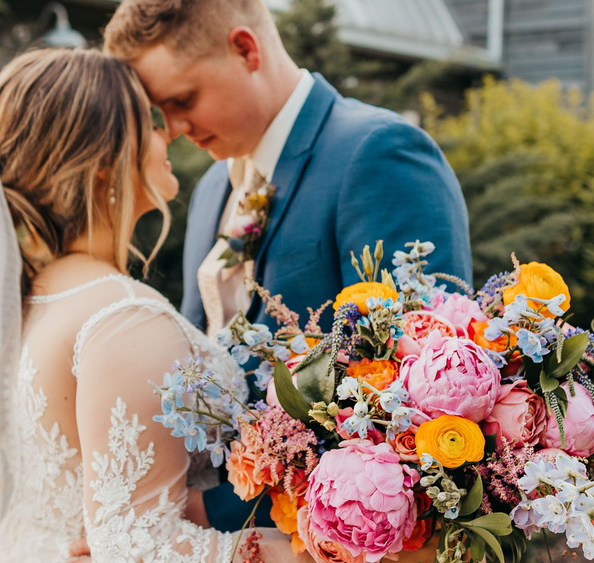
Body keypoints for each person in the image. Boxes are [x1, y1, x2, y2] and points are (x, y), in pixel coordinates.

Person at [0, 48, 305, 563]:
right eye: (150, 124)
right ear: (102, 165)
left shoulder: (25, 302)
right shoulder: (123, 319)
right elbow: (140, 547)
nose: (170, 134)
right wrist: (313, 548)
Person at [103, 0, 473, 532]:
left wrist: (213, 512)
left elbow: (412, 394)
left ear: (245, 49)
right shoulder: (212, 188)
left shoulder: (379, 153)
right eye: (162, 110)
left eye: (183, 100)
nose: (176, 128)